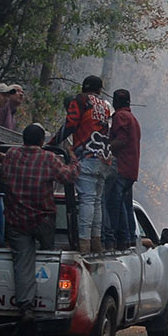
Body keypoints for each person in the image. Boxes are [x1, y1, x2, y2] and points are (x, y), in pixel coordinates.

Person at [1, 124, 76, 323]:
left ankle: (26, 307)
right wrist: (74, 160)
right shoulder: (48, 158)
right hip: (43, 220)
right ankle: (48, 301)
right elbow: (69, 177)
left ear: (23, 139)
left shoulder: (11, 155)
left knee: (22, 263)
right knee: (48, 258)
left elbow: (3, 174)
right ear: (42, 141)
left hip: (16, 221)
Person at [56, 75, 115, 253]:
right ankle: (96, 242)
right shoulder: (105, 106)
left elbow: (71, 124)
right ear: (99, 90)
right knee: (96, 201)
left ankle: (83, 244)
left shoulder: (80, 100)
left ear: (83, 87)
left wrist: (53, 142)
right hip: (104, 158)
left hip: (87, 155)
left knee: (87, 200)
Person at [104, 90, 141, 248]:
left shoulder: (120, 116)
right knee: (126, 203)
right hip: (132, 168)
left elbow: (121, 139)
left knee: (115, 202)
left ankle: (121, 237)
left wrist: (105, 148)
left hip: (122, 166)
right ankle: (130, 236)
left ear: (115, 102)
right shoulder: (133, 118)